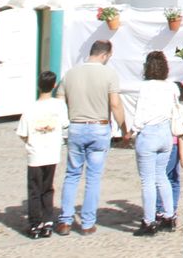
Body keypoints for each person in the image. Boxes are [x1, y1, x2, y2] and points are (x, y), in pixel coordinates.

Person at [55, 40, 130, 236]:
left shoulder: (70, 74)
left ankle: (65, 220)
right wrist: (124, 128)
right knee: (93, 177)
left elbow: (59, 102)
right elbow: (115, 104)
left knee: (72, 174)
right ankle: (88, 223)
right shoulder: (109, 74)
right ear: (105, 55)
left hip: (76, 126)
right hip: (98, 127)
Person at [130, 50, 181, 236]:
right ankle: (169, 216)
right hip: (166, 133)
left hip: (149, 133)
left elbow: (140, 114)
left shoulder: (145, 87)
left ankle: (149, 220)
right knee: (162, 176)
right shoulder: (171, 87)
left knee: (148, 180)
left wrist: (133, 130)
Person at [15, 70, 67, 239]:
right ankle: (48, 222)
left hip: (36, 152)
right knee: (48, 187)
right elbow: (65, 123)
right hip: (52, 151)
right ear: (54, 85)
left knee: (34, 189)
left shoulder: (30, 108)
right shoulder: (59, 105)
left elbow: (22, 132)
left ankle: (35, 223)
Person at [167, 81, 183, 216]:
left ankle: (167, 209)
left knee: (169, 178)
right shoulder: (176, 109)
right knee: (172, 179)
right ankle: (170, 209)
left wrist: (182, 155)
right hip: (173, 146)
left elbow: (181, 134)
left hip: (173, 146)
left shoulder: (178, 109)